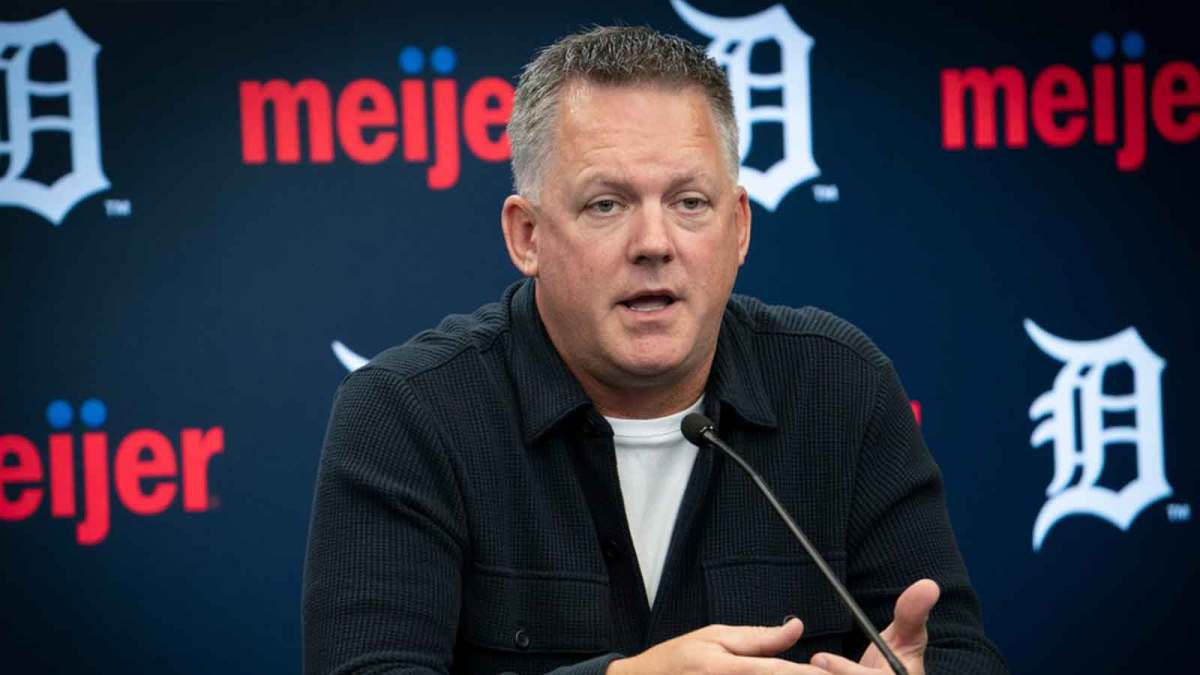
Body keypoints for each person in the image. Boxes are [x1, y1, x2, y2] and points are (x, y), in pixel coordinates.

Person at [303, 26, 1008, 675]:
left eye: (690, 203)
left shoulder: (839, 388)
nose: (654, 243)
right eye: (606, 204)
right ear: (527, 236)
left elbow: (951, 653)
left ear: (737, 228)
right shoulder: (410, 414)